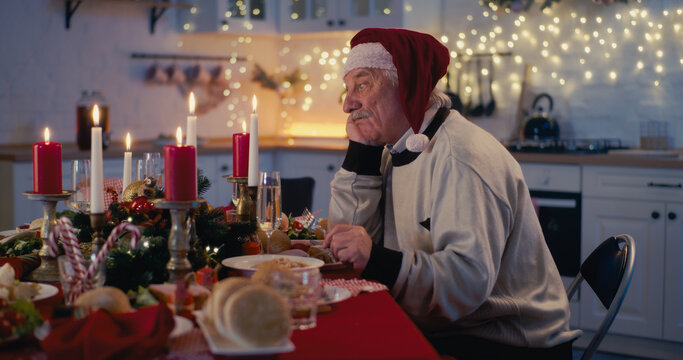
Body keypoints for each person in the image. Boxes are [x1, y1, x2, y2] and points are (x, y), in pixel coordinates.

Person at [322, 28, 581, 359]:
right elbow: (347, 250)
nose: (347, 104)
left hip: (504, 341)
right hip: (446, 325)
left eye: (362, 85)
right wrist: (362, 154)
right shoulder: (393, 148)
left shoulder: (461, 156)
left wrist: (375, 259)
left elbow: (465, 284)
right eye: (348, 89)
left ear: (408, 87)